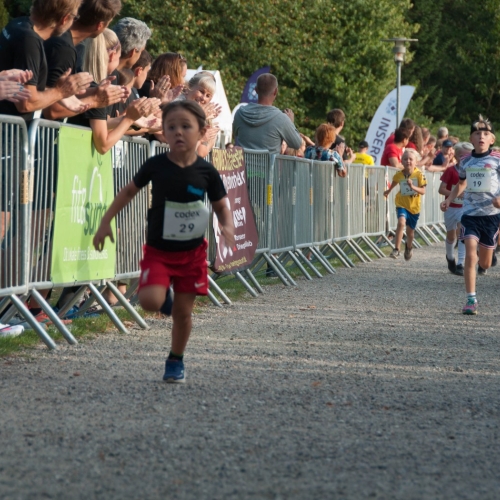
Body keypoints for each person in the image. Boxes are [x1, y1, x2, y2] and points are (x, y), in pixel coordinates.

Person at [93, 100, 235, 383]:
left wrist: (228, 226)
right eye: (171, 127)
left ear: (202, 132)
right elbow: (128, 191)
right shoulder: (156, 165)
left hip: (192, 254)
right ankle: (165, 300)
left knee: (183, 314)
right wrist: (106, 221)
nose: (178, 132)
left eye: (185, 126)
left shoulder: (207, 172)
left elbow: (221, 205)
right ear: (164, 132)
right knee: (149, 301)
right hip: (159, 251)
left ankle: (175, 359)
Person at [441, 115, 500, 315]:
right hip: (469, 214)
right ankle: (470, 299)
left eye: (485, 133)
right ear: (471, 139)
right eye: (477, 133)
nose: (481, 136)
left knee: (484, 262)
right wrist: (449, 199)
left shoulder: (497, 159)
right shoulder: (466, 161)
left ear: (492, 139)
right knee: (470, 254)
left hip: (491, 215)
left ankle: (488, 256)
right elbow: (461, 183)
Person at [0, 0, 94, 122]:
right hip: (8, 130)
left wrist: (58, 93)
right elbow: (26, 103)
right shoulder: (29, 41)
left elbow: (22, 90)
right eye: (74, 17)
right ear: (65, 19)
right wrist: (60, 92)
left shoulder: (17, 24)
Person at [42, 0, 126, 121]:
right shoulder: (64, 49)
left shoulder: (61, 39)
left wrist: (95, 91)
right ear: (100, 25)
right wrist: (95, 100)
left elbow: (54, 92)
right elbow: (52, 110)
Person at [232, 73, 301, 155]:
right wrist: (290, 123)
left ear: (256, 90)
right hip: (269, 164)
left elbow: (235, 134)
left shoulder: (240, 113)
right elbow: (297, 144)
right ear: (275, 91)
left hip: (243, 163)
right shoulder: (281, 119)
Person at [384, 149, 427, 260]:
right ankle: (396, 249)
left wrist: (412, 187)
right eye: (405, 159)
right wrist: (389, 191)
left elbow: (423, 191)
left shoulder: (419, 175)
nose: (408, 161)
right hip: (401, 204)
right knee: (401, 222)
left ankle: (408, 247)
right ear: (401, 161)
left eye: (411, 159)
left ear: (416, 161)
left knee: (410, 232)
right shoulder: (399, 175)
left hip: (414, 207)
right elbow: (395, 182)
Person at [438, 141, 474, 276]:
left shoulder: (473, 172)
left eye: (468, 156)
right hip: (451, 207)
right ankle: (450, 257)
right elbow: (441, 189)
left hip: (464, 208)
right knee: (451, 236)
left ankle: (460, 263)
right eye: (461, 156)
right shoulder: (450, 171)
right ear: (456, 156)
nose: (464, 159)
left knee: (462, 232)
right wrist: (454, 194)